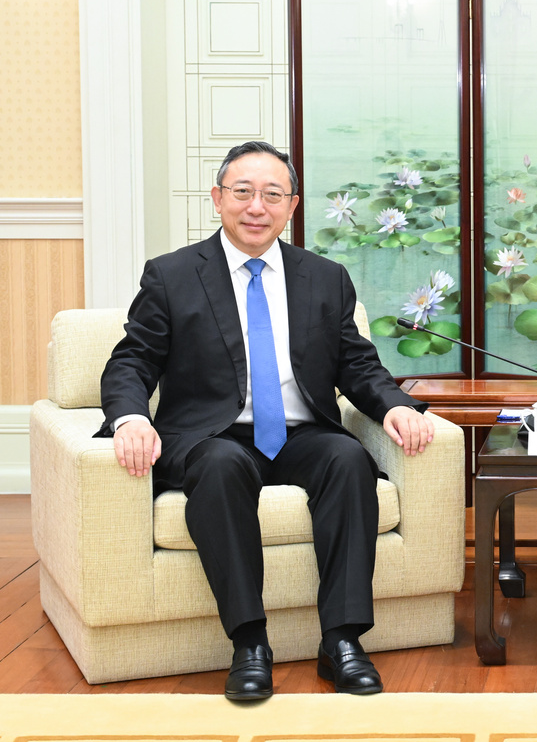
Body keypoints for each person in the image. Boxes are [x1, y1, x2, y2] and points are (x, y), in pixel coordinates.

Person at [98, 141, 435, 702]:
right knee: (222, 465)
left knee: (349, 458)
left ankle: (342, 640)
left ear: (291, 205)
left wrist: (395, 405)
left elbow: (357, 364)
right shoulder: (172, 275)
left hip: (302, 434)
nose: (257, 206)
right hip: (211, 435)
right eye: (243, 192)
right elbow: (132, 360)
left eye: (273, 195)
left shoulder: (325, 277)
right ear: (218, 198)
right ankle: (250, 643)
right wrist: (130, 416)